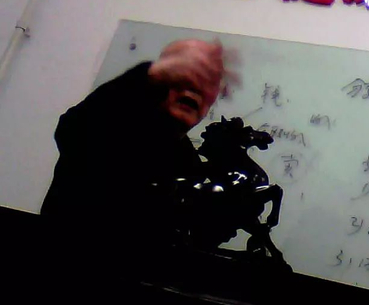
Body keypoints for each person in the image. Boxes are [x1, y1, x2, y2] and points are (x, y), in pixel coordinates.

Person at [40, 39, 237, 297]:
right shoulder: (106, 125)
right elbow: (76, 129)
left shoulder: (187, 162)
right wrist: (149, 73)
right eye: (183, 79)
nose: (194, 90)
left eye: (206, 86)